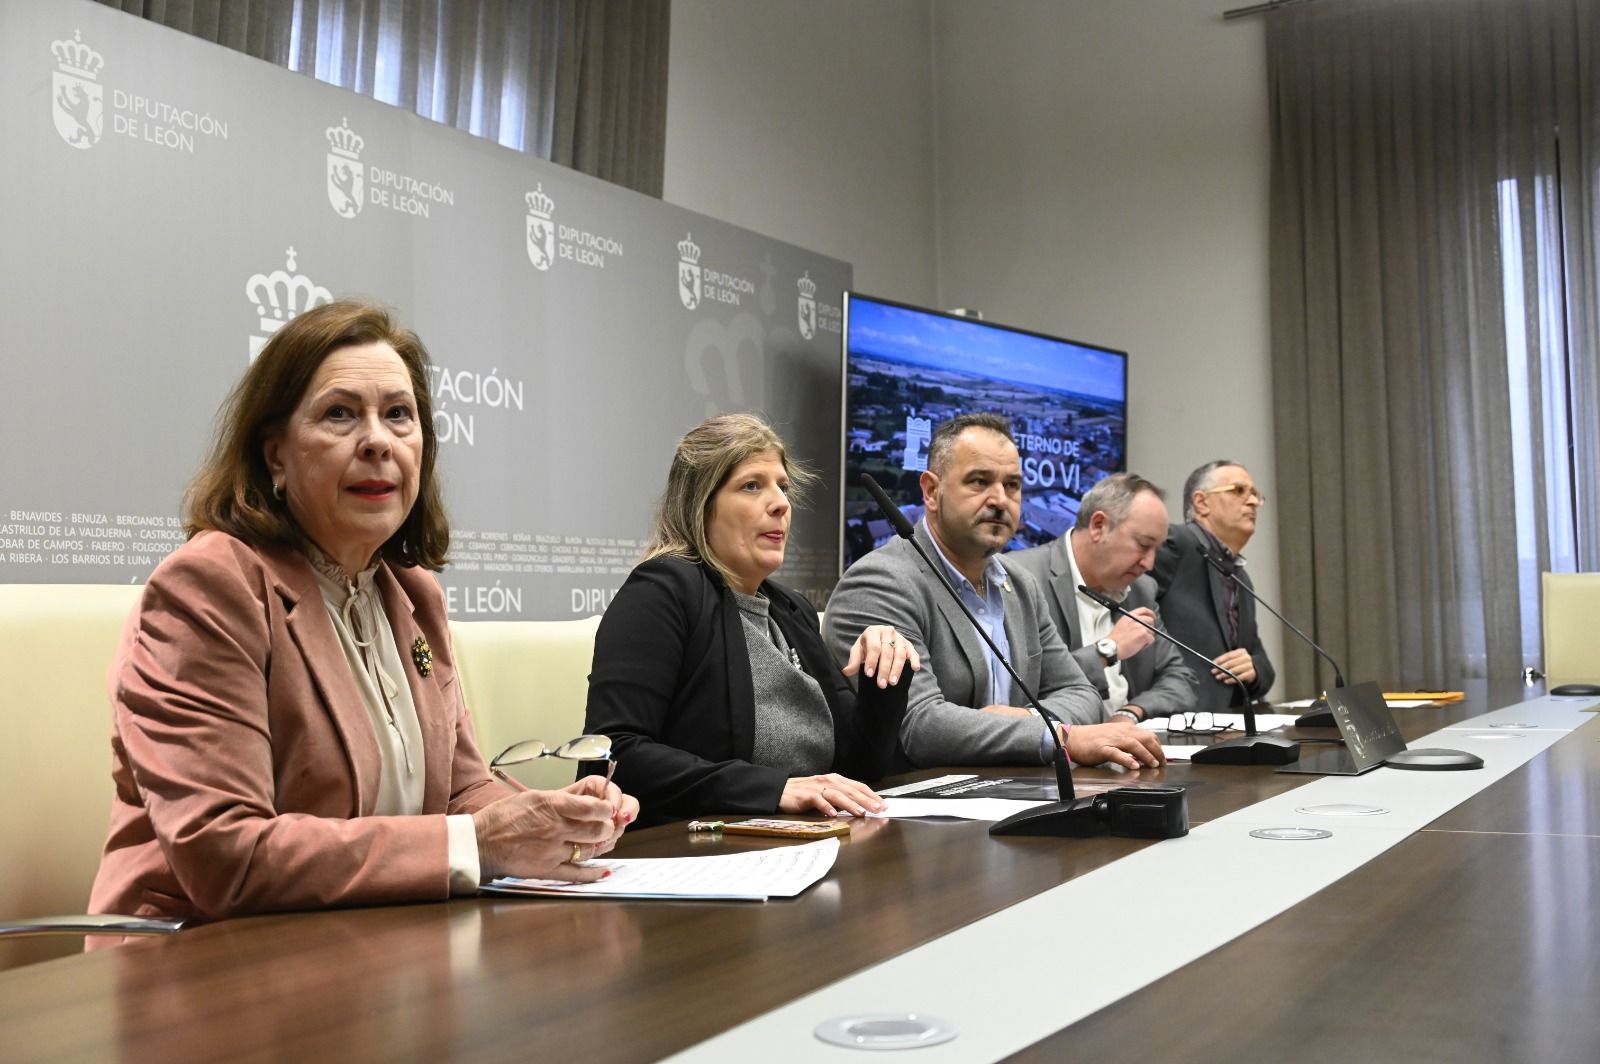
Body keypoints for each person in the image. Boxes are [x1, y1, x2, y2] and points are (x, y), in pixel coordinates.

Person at [90, 301, 638, 925]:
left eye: (398, 415)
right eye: (340, 414)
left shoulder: (412, 595)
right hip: (205, 967)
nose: (378, 440)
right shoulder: (211, 587)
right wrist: (479, 845)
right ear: (275, 456)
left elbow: (459, 792)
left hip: (374, 947)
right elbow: (227, 855)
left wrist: (548, 817)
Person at [582, 414, 917, 825]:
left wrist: (884, 675)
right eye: (752, 486)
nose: (781, 503)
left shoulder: (790, 610)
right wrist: (774, 789)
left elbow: (859, 768)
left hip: (805, 842)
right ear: (700, 503)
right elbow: (613, 755)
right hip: (693, 853)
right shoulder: (662, 590)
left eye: (783, 487)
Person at [824, 413, 1164, 770]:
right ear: (930, 491)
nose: (1000, 499)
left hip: (1017, 795)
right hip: (916, 810)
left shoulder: (1019, 584)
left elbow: (1082, 694)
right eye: (979, 481)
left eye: (1013, 485)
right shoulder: (881, 582)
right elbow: (919, 725)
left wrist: (1025, 716)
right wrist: (1060, 736)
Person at [1010, 473, 1197, 722]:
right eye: (1143, 545)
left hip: (1129, 749)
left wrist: (1130, 713)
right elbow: (1019, 689)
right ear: (1099, 526)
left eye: (1156, 550)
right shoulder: (1021, 578)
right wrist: (1107, 650)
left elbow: (1181, 679)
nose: (1149, 563)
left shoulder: (1141, 589)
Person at [1150, 459, 1276, 712]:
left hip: (1228, 724)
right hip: (1177, 720)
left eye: (1254, 494)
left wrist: (1253, 668)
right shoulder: (1175, 544)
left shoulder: (1239, 575)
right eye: (1239, 491)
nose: (1252, 502)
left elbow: (1262, 663)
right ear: (1201, 502)